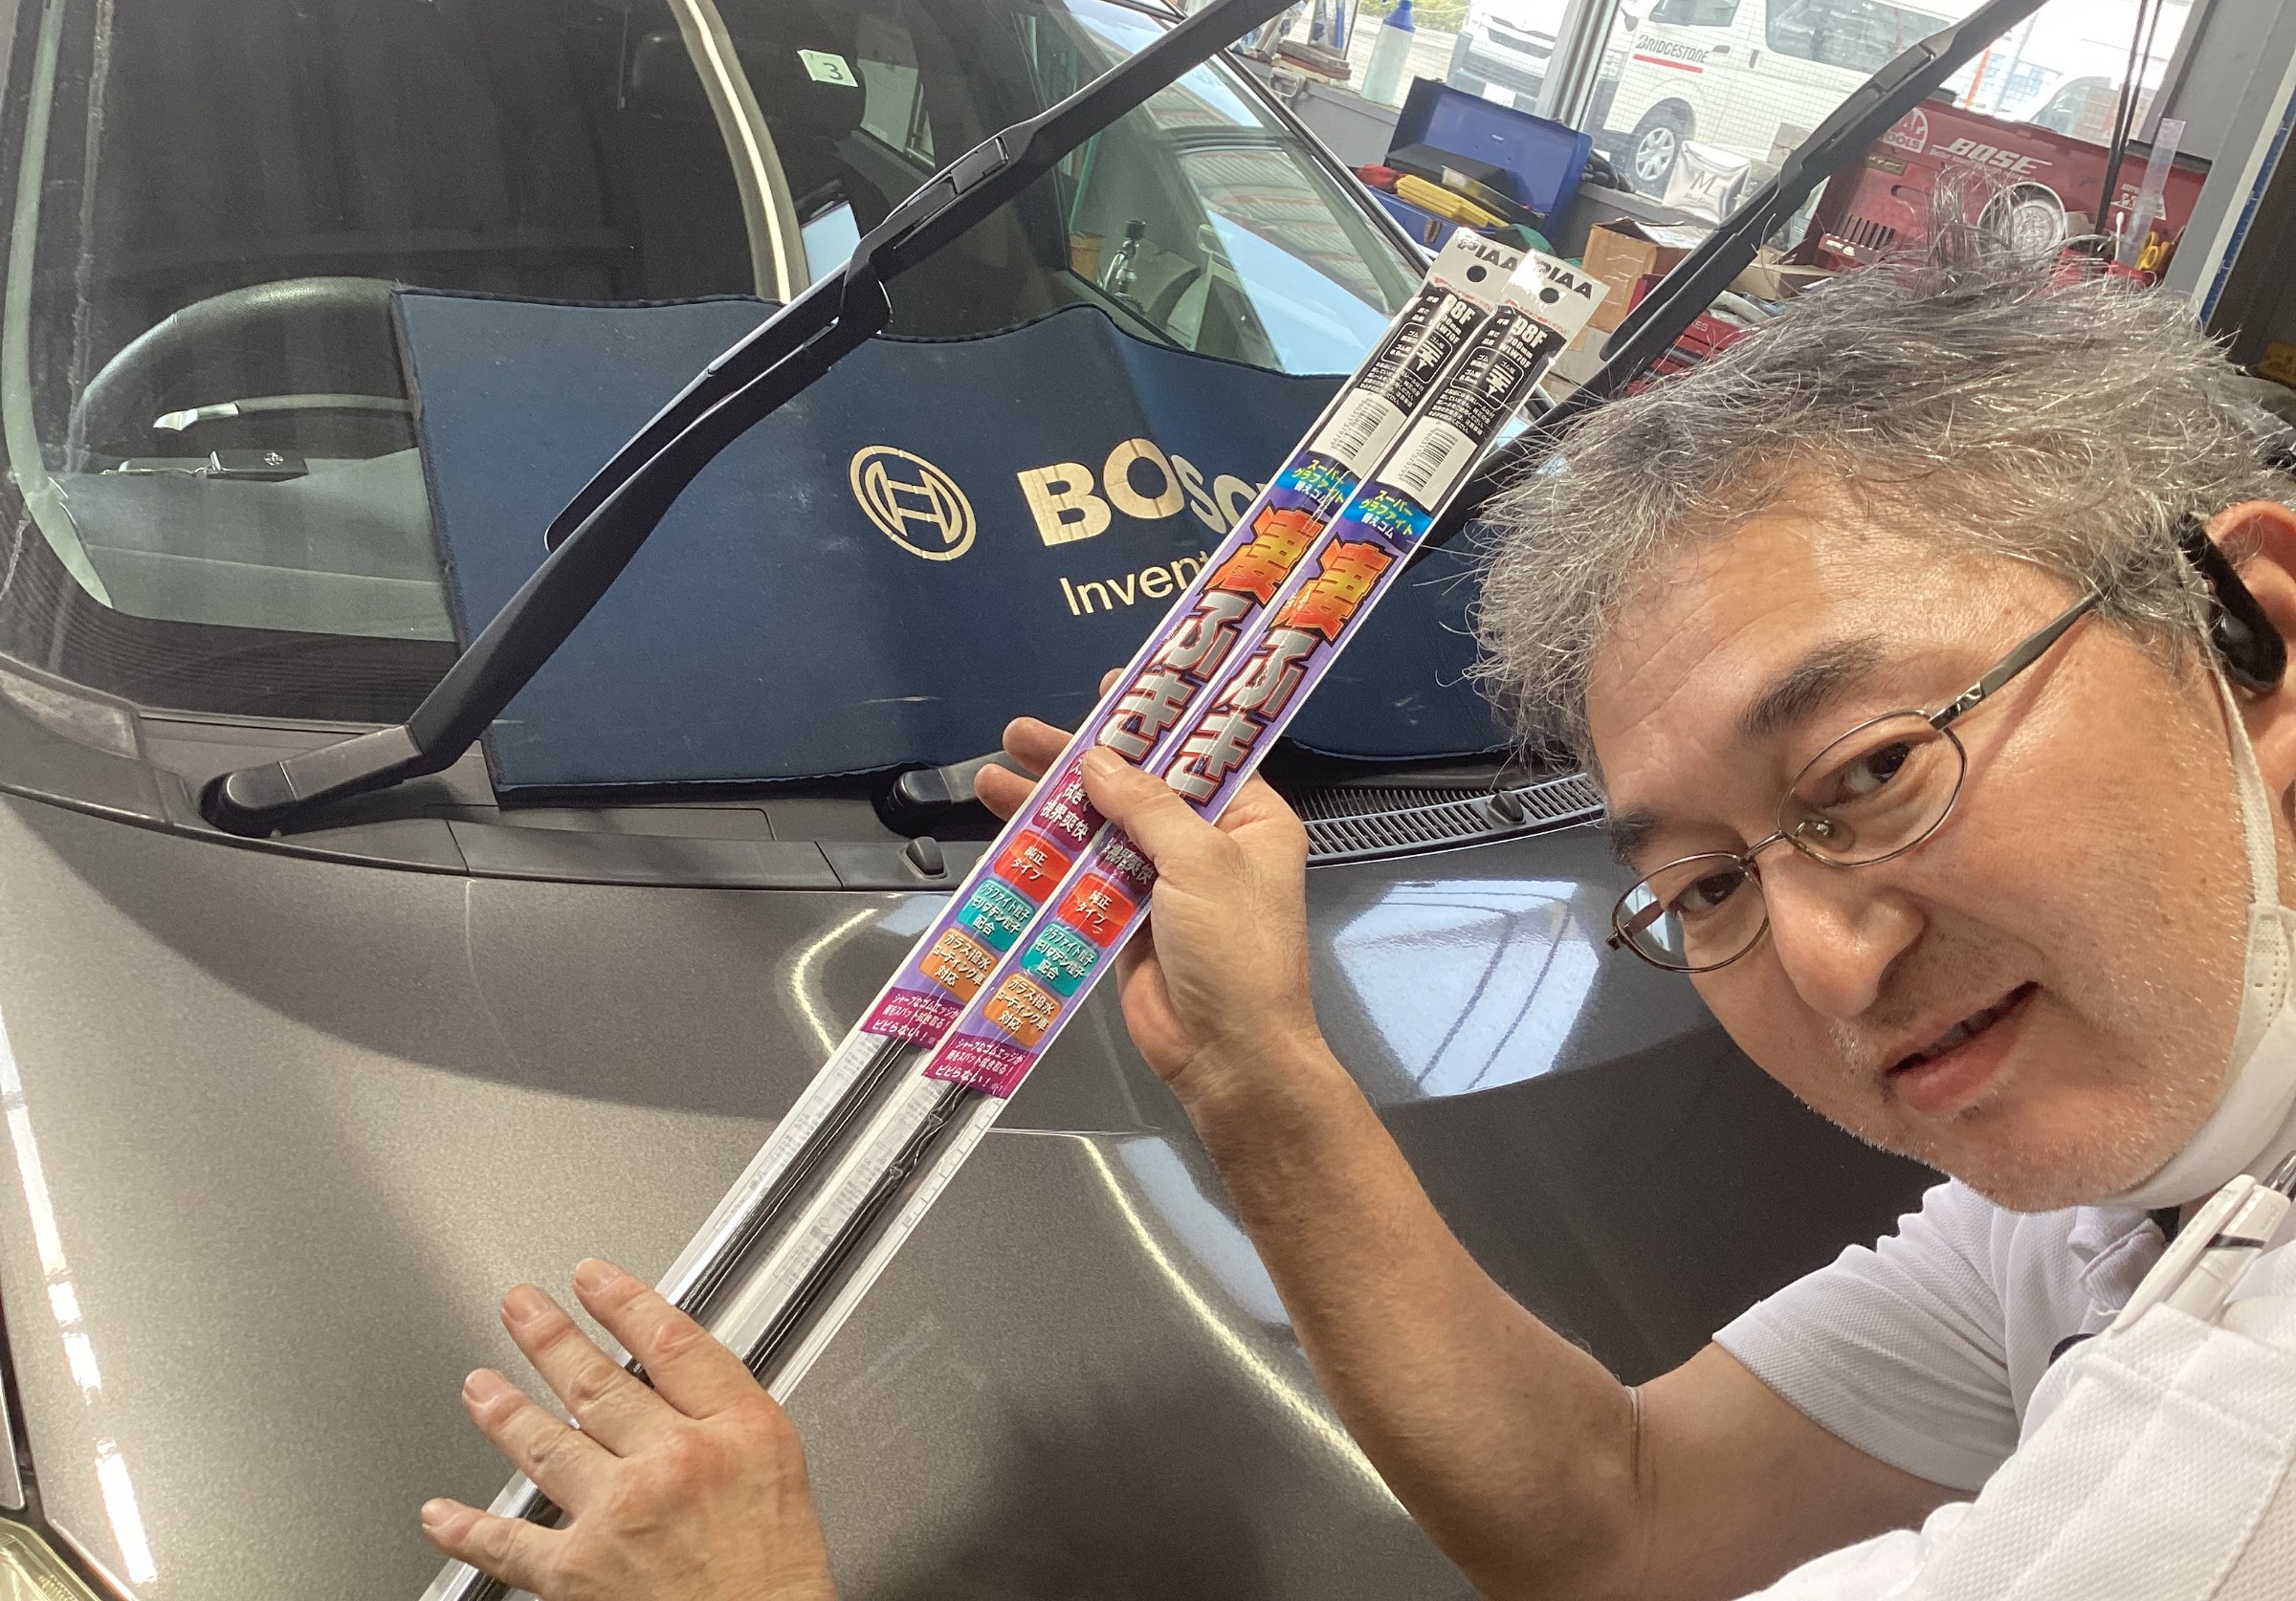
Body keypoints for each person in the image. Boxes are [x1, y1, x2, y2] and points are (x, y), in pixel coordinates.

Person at [419, 260, 2296, 1598]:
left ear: (2260, 635)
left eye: (1874, 769)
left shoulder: (2236, 1458)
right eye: (1707, 885)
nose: (1822, 962)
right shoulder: (2123, 1182)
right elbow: (1620, 1516)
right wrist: (1253, 1068)